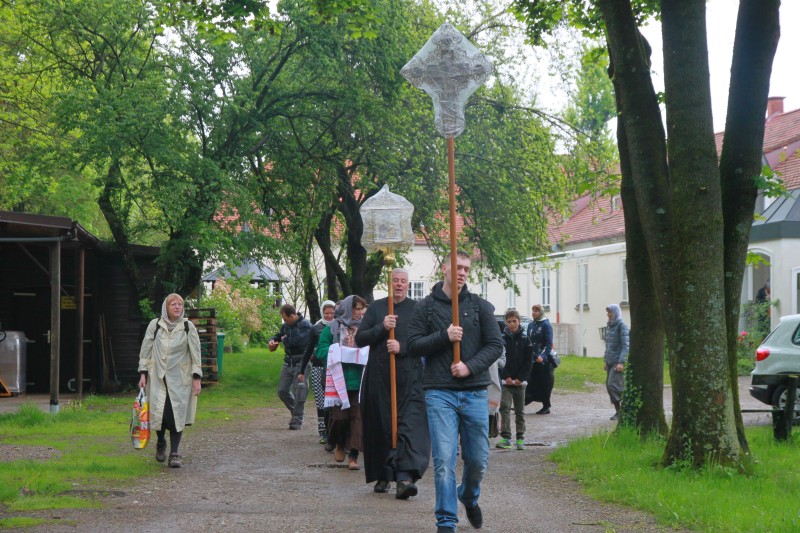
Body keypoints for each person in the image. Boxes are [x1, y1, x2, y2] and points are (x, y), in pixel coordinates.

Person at [407, 251, 503, 533]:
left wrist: (469, 367)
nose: (462, 272)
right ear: (444, 268)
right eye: (457, 267)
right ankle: (446, 522)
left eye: (466, 268)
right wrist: (444, 336)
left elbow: (495, 345)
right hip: (439, 391)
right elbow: (412, 345)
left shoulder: (479, 307)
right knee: (444, 460)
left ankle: (469, 496)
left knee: (477, 461)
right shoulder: (425, 308)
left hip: (474, 392)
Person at [355, 268, 430, 499]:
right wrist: (382, 327)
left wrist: (403, 347)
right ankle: (383, 473)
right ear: (389, 283)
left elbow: (427, 341)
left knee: (408, 426)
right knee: (381, 425)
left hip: (409, 378)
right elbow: (360, 339)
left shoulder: (417, 309)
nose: (399, 284)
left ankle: (404, 477)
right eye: (395, 281)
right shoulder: (377, 307)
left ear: (408, 285)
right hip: (379, 377)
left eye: (403, 281)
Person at [137, 294, 202, 468]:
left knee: (176, 416)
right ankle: (160, 442)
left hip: (179, 379)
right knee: (159, 414)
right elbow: (146, 349)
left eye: (180, 304)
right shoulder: (155, 325)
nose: (177, 307)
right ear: (166, 307)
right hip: (158, 377)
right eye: (173, 304)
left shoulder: (188, 327)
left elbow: (196, 354)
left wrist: (197, 378)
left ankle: (174, 453)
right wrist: (143, 374)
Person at [316, 295, 367, 470]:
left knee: (358, 418)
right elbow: (321, 350)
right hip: (339, 381)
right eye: (357, 308)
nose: (360, 312)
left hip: (360, 380)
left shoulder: (366, 327)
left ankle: (353, 455)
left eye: (361, 309)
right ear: (347, 309)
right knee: (339, 417)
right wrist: (336, 351)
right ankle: (338, 443)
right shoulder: (332, 328)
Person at [298, 300, 336, 446]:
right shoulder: (316, 328)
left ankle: (333, 429)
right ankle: (323, 431)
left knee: (332, 401)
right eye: (326, 313)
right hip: (318, 367)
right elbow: (309, 349)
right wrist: (302, 370)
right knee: (321, 401)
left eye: (332, 313)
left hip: (333, 367)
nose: (329, 316)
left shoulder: (339, 327)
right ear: (322, 313)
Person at [268, 304, 313, 430]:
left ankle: (297, 420)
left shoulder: (306, 326)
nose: (284, 321)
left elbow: (297, 342)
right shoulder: (286, 326)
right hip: (288, 362)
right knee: (282, 391)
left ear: (292, 316)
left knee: (299, 390)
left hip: (302, 362)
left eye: (285, 318)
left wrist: (284, 340)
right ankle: (296, 413)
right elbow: (279, 335)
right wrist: (273, 340)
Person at [496, 309, 533, 451]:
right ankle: (506, 437)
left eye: (514, 321)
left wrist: (520, 378)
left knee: (520, 410)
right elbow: (500, 359)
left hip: (519, 382)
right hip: (506, 382)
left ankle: (520, 438)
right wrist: (507, 377)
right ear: (506, 322)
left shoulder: (525, 339)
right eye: (509, 321)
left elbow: (528, 361)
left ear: (518, 321)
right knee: (504, 408)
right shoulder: (501, 339)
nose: (512, 324)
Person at [526, 304, 555, 415]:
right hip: (532, 358)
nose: (534, 312)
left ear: (541, 312)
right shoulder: (531, 325)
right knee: (531, 380)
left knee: (544, 383)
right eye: (533, 310)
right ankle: (527, 399)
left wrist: (542, 357)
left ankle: (546, 405)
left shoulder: (546, 325)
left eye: (536, 311)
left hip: (543, 361)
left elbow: (548, 343)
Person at [604, 304, 629, 421]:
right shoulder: (609, 326)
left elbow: (626, 346)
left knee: (612, 385)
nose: (608, 314)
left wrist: (621, 362)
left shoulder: (622, 326)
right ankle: (618, 411)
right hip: (610, 361)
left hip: (617, 362)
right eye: (608, 312)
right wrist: (605, 361)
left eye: (610, 312)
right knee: (609, 387)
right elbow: (608, 345)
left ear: (615, 313)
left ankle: (623, 409)